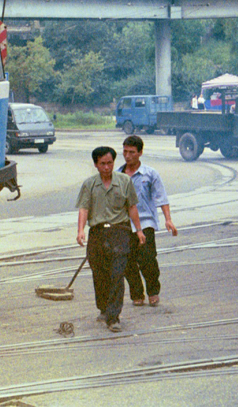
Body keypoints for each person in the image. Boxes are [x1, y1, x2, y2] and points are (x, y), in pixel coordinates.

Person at [76, 146, 146, 333]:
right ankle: (104, 308)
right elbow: (83, 208)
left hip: (120, 232)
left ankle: (114, 317)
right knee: (100, 274)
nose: (107, 167)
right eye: (102, 164)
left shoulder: (124, 182)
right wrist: (80, 230)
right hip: (98, 234)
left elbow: (132, 207)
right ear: (96, 165)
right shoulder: (89, 184)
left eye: (110, 163)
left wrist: (138, 230)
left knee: (117, 275)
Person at [119, 136, 178, 308]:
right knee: (127, 262)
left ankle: (153, 290)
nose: (127, 156)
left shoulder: (150, 174)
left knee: (147, 259)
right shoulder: (118, 175)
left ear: (140, 153)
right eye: (125, 151)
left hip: (146, 223)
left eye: (131, 152)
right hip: (124, 225)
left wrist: (168, 219)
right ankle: (137, 293)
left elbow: (161, 197)